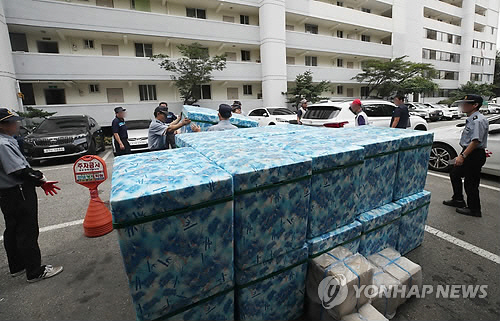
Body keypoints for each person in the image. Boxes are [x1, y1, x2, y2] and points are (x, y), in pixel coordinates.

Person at [0, 108, 63, 283]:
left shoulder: (6, 140)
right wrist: (40, 179)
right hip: (18, 191)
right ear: (3, 126)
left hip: (7, 193)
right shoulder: (3, 144)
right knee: (27, 230)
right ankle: (35, 271)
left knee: (13, 229)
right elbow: (20, 171)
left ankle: (18, 266)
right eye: (13, 122)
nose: (17, 124)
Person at [443, 94, 489, 217]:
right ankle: (458, 200)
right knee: (455, 173)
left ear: (475, 105)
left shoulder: (478, 120)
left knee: (471, 183)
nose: (463, 106)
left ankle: (474, 209)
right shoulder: (472, 118)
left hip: (474, 154)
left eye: (466, 104)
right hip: (469, 152)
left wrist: (462, 156)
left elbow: (475, 141)